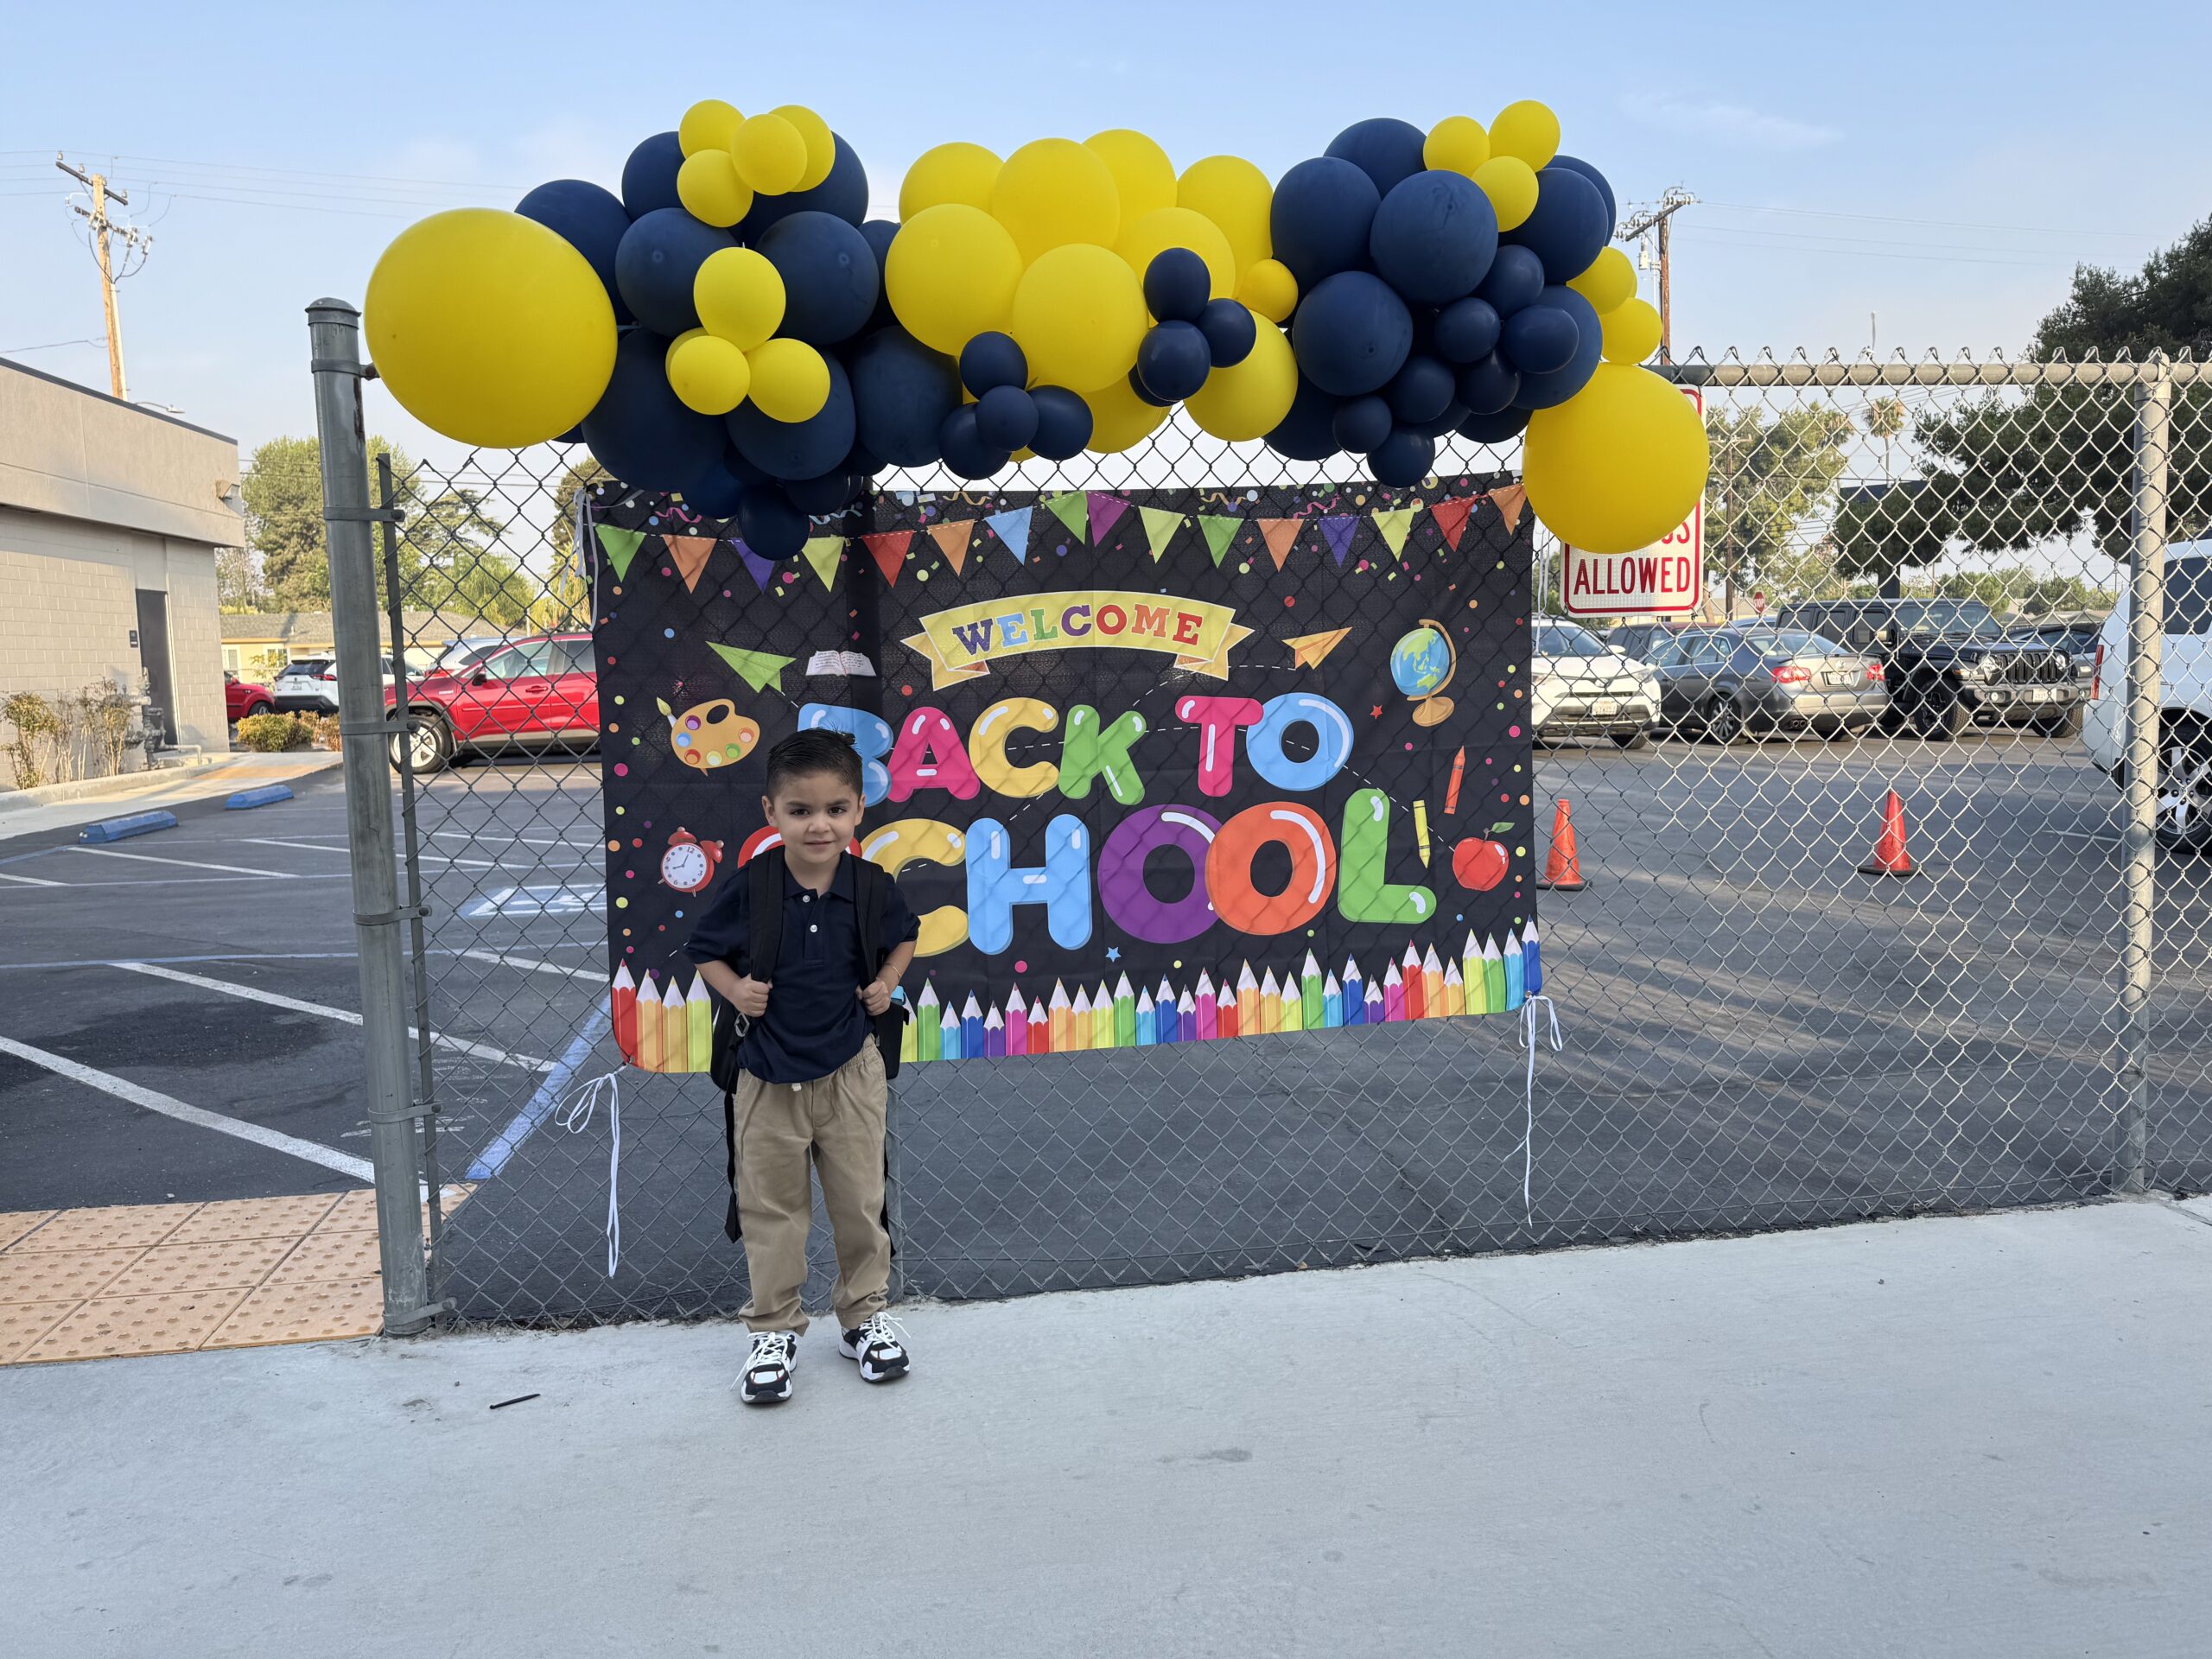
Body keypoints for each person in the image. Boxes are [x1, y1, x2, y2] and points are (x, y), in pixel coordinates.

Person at [685, 728, 919, 1405]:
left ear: (857, 811)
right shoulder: (752, 888)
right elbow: (705, 949)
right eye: (801, 810)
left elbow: (904, 937)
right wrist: (735, 990)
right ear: (771, 813)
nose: (820, 824)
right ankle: (775, 1327)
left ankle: (864, 1317)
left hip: (850, 1072)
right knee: (772, 1209)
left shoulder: (871, 888)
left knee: (859, 1202)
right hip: (765, 1075)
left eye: (835, 809)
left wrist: (886, 982)